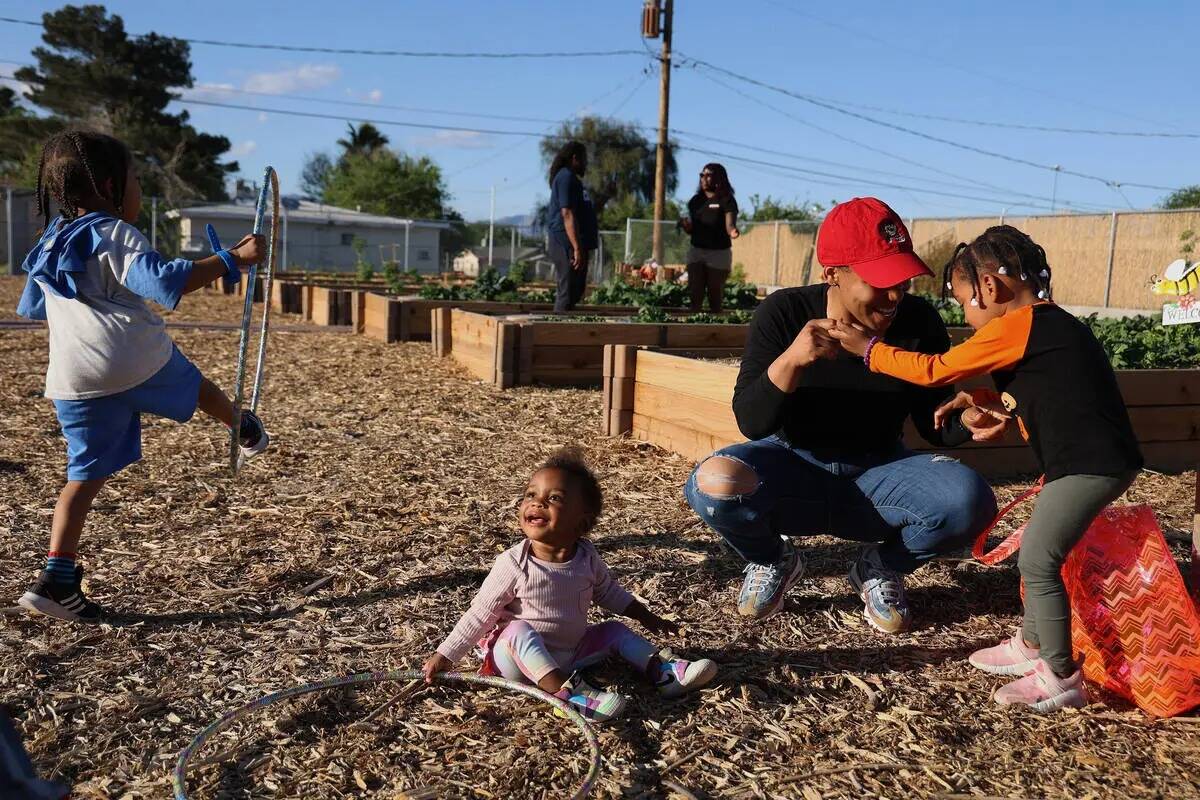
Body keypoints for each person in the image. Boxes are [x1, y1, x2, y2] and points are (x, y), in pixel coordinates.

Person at [829, 225, 1142, 712]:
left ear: (990, 289)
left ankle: (1060, 676)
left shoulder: (1018, 325)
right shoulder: (1050, 325)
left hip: (1090, 465)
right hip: (1088, 461)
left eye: (963, 303)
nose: (966, 315)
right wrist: (985, 398)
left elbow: (933, 370)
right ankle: (1032, 644)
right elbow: (1050, 392)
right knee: (1039, 553)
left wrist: (867, 350)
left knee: (1039, 560)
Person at [684, 197, 999, 631]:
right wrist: (792, 359)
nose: (894, 296)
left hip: (880, 470)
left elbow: (934, 421)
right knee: (713, 484)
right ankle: (774, 559)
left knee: (969, 500)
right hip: (793, 464)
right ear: (832, 273)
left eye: (903, 281)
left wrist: (965, 421)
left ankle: (880, 566)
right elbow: (752, 422)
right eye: (881, 281)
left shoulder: (918, 321)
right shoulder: (784, 313)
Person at [14, 131, 269, 624]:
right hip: (127, 354)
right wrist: (231, 260)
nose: (137, 191)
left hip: (71, 375)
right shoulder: (114, 232)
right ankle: (241, 425)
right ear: (111, 185)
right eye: (135, 181)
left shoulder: (52, 239)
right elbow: (163, 282)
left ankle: (56, 578)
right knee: (189, 381)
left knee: (82, 476)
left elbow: (32, 304)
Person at [423, 449, 717, 722]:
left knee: (613, 630)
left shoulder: (587, 558)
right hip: (513, 658)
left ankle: (663, 673)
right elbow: (480, 614)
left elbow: (608, 593)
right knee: (518, 630)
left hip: (570, 652)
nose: (537, 502)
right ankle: (569, 695)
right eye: (531, 495)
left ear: (582, 522)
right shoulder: (514, 563)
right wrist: (446, 654)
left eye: (555, 498)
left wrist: (646, 616)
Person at [545, 141, 598, 312]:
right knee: (567, 293)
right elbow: (567, 213)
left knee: (575, 291)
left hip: (574, 244)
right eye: (584, 159)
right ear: (574, 158)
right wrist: (576, 247)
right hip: (565, 243)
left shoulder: (571, 179)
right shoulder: (566, 177)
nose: (586, 163)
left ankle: (566, 332)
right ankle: (557, 334)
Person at [680, 163, 739, 312]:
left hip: (718, 253)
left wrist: (733, 231)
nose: (704, 178)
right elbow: (693, 229)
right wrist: (687, 227)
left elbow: (730, 225)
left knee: (715, 292)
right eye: (702, 175)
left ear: (719, 178)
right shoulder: (695, 201)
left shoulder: (726, 200)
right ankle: (694, 323)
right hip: (697, 251)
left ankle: (715, 327)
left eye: (709, 175)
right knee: (695, 290)